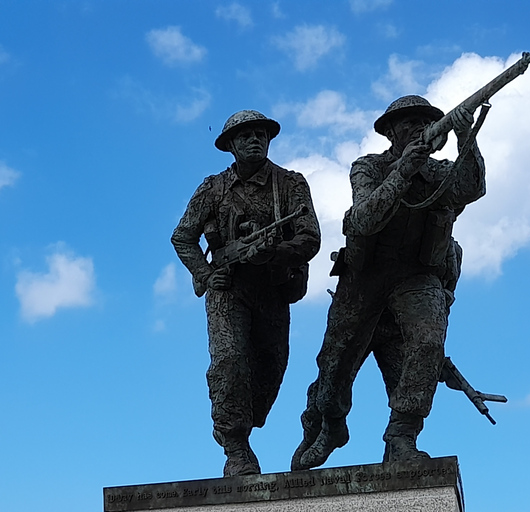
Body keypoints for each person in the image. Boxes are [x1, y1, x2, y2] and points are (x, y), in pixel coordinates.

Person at [292, 95, 485, 470]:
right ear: (391, 132)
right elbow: (362, 220)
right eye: (407, 122)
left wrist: (466, 136)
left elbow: (471, 189)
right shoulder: (369, 166)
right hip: (363, 279)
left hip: (416, 276)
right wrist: (402, 172)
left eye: (423, 121)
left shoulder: (440, 173)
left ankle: (401, 436)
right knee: (332, 372)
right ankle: (330, 427)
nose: (417, 127)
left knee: (429, 342)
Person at [172, 110, 320, 476]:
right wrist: (205, 275)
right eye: (246, 135)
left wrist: (275, 252)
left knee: (270, 366)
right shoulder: (213, 188)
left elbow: (310, 236)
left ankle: (241, 419)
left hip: (272, 288)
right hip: (229, 288)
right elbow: (183, 237)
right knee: (230, 362)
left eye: (261, 134)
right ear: (231, 145)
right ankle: (236, 447)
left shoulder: (291, 184)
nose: (255, 140)